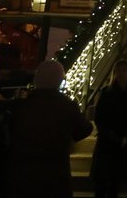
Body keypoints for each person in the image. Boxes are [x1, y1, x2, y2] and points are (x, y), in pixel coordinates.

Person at [5, 59, 93, 198]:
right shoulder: (66, 105)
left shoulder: (22, 105)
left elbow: (11, 131)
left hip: (26, 172)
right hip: (55, 172)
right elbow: (84, 130)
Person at [91, 59, 127, 198]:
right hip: (107, 137)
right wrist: (106, 131)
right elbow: (99, 115)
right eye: (118, 71)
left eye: (124, 70)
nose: (121, 73)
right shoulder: (106, 92)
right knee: (102, 178)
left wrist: (126, 133)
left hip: (124, 138)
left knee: (116, 178)